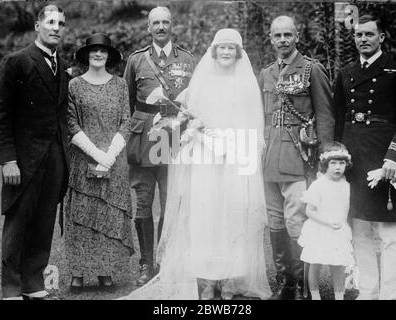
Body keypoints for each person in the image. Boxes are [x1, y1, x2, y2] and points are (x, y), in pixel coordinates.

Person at [118, 28, 271, 300]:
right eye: (221, 47)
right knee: (205, 218)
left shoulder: (246, 83)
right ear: (214, 51)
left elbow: (253, 126)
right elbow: (192, 118)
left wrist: (229, 140)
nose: (226, 52)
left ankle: (227, 279)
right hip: (204, 160)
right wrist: (198, 129)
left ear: (238, 53)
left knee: (230, 218)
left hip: (234, 159)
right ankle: (207, 280)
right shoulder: (202, 82)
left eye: (231, 48)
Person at [0, 5, 69, 300]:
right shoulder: (16, 61)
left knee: (43, 222)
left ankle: (34, 284)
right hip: (23, 160)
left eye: (61, 23)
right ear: (37, 26)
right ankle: (11, 289)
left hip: (54, 159)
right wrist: (7, 159)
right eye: (51, 22)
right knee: (18, 223)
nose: (56, 27)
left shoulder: (61, 66)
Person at [333, 14, 396, 300]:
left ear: (381, 37)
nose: (363, 40)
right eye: (358, 35)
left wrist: (393, 160)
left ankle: (389, 295)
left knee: (388, 236)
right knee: (360, 232)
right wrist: (336, 156)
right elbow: (338, 120)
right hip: (355, 162)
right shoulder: (346, 73)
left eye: (369, 35)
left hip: (385, 162)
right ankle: (368, 292)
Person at [258, 15, 335, 300]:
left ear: (297, 36)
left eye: (287, 35)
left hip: (298, 156)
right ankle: (284, 282)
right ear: (270, 38)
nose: (282, 41)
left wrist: (325, 159)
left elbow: (325, 115)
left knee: (296, 221)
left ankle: (303, 283)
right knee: (275, 220)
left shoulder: (311, 69)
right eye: (277, 36)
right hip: (269, 157)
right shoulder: (266, 73)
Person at [123, 6, 194, 286]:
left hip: (174, 139)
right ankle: (145, 263)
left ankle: (164, 260)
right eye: (156, 23)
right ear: (148, 27)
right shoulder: (136, 60)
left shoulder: (187, 60)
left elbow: (193, 100)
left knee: (170, 201)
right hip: (144, 139)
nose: (161, 27)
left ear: (172, 25)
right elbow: (126, 102)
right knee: (142, 202)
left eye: (165, 22)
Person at [64, 33, 134, 292]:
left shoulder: (120, 85)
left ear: (109, 55)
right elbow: (71, 123)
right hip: (84, 159)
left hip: (114, 160)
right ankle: (78, 273)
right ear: (86, 54)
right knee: (82, 215)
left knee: (108, 215)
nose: (98, 54)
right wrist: (96, 154)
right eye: (93, 50)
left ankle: (105, 271)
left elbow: (126, 121)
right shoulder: (74, 85)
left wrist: (110, 155)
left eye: (102, 51)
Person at [298, 142, 354, 300]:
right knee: (315, 263)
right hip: (320, 229)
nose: (338, 167)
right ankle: (315, 296)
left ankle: (339, 296)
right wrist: (327, 222)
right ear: (325, 164)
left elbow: (346, 209)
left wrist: (344, 225)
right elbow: (309, 211)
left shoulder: (347, 186)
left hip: (338, 230)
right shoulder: (319, 185)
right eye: (333, 163)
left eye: (341, 163)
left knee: (338, 265)